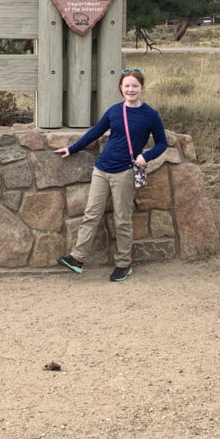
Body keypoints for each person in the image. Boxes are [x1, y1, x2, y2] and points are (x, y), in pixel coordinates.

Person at [54, 68, 167, 282]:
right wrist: (72, 149)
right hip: (102, 169)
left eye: (135, 85)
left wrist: (147, 156)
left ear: (142, 88)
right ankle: (77, 259)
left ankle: (124, 264)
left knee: (122, 219)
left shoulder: (150, 115)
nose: (131, 89)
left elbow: (162, 143)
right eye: (127, 86)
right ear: (121, 88)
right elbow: (95, 132)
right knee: (91, 215)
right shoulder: (115, 111)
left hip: (125, 172)